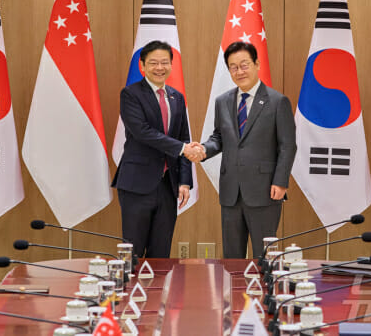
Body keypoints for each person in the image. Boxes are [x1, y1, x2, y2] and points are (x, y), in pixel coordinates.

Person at [190, 41, 297, 259]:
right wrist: (204, 149)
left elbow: (288, 145)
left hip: (265, 190)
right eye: (234, 67)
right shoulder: (222, 102)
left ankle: (264, 283)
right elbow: (219, 137)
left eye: (244, 65)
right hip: (231, 192)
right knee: (232, 258)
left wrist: (281, 181)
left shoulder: (277, 102)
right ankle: (233, 285)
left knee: (263, 257)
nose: (239, 71)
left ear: (257, 64)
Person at [111, 40, 200, 258]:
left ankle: (158, 283)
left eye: (164, 62)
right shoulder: (130, 94)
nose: (159, 68)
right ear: (142, 65)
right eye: (153, 63)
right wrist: (183, 148)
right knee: (132, 253)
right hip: (137, 184)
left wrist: (185, 181)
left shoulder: (177, 97)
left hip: (168, 186)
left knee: (161, 254)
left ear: (171, 65)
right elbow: (143, 132)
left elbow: (183, 138)